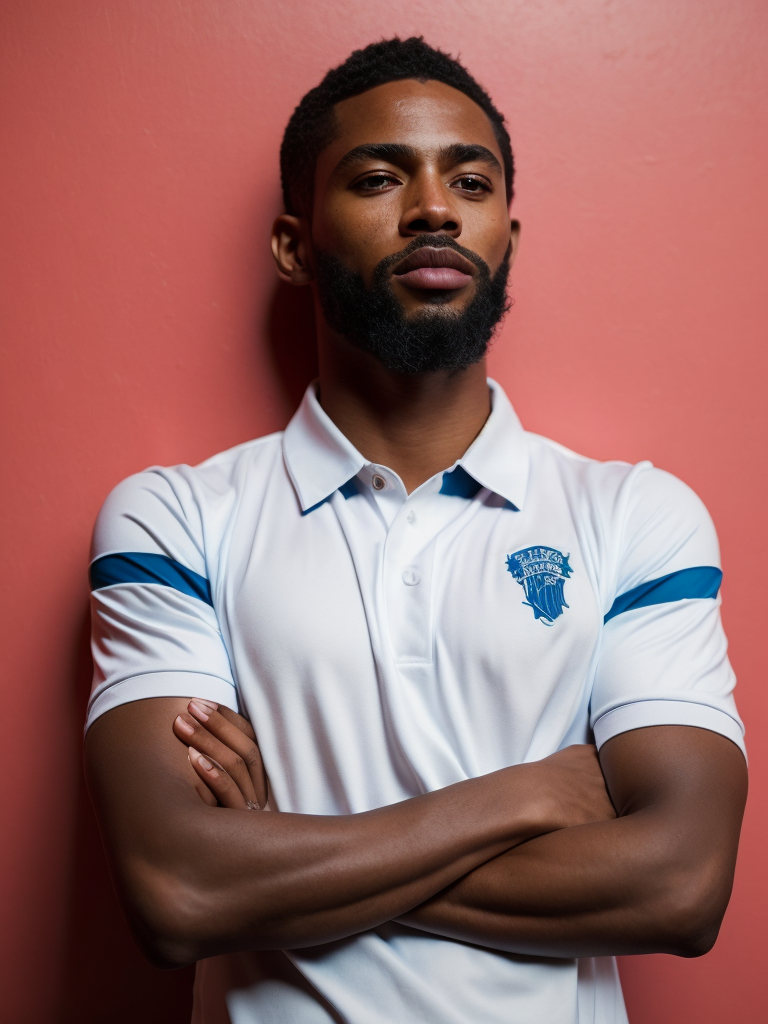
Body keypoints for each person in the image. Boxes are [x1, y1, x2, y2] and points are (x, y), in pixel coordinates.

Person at [84, 37, 747, 1024]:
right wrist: (523, 797)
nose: (435, 207)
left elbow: (681, 884)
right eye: (380, 176)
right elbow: (179, 893)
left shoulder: (637, 517)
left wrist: (280, 854)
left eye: (469, 180)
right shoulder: (176, 518)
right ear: (295, 245)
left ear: (506, 240)